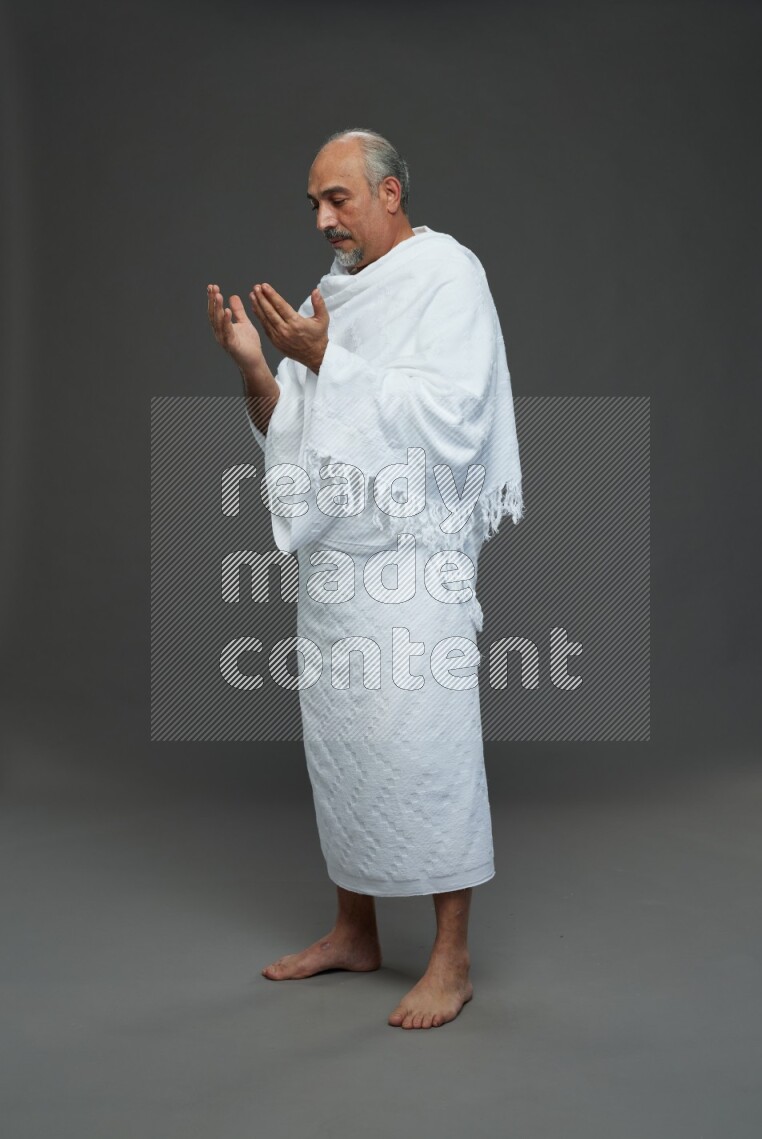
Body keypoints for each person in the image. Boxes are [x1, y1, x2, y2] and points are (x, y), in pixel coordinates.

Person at [206, 128, 523, 1029]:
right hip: (338, 572)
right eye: (313, 202)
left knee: (429, 747)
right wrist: (258, 368)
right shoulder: (330, 296)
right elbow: (295, 432)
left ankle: (451, 959)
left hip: (413, 562)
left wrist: (322, 357)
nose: (322, 219)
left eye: (338, 198)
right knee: (344, 750)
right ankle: (355, 930)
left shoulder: (448, 276)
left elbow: (451, 414)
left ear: (390, 193)